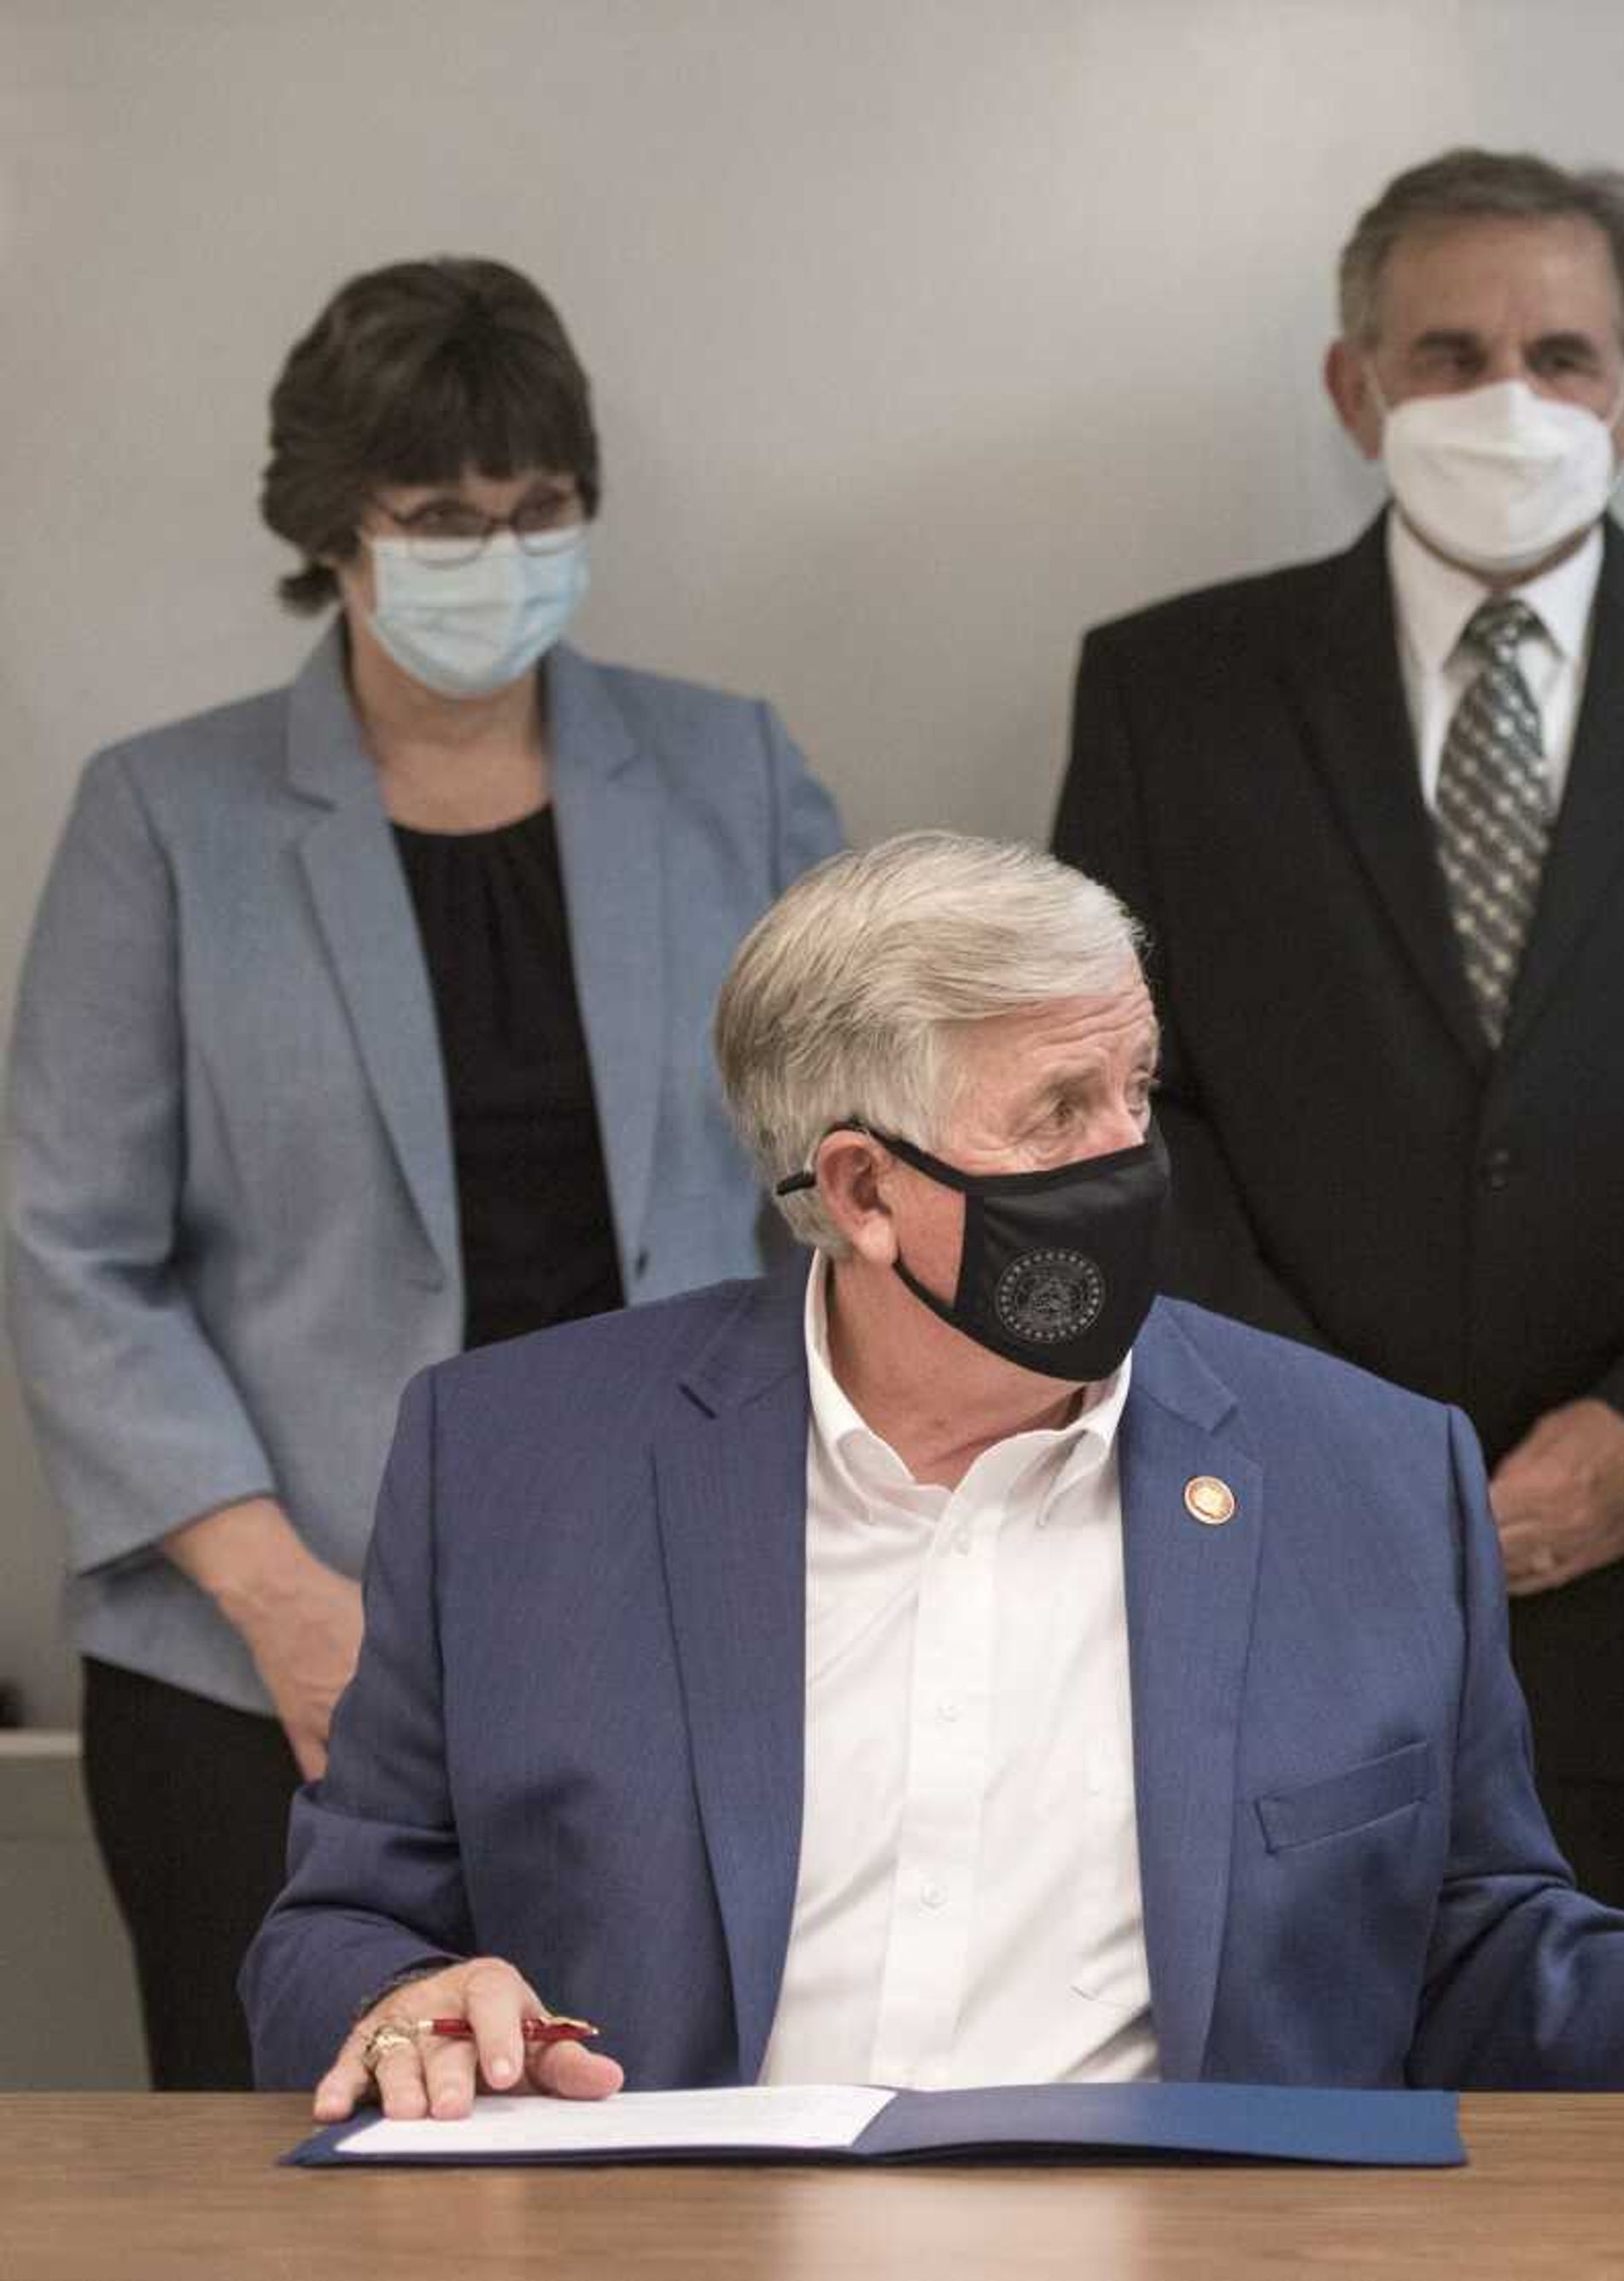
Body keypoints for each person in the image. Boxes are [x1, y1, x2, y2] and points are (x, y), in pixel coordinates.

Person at [239, 833, 1624, 2114]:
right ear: (862, 1190)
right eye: (1057, 1114)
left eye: (1136, 1090)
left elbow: (1471, 1965)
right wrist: (394, 2004)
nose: (1128, 1155)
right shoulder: (518, 1462)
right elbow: (335, 1926)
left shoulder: (1366, 1476)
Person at [1049, 150, 1624, 1926]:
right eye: (1451, 354)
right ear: (1355, 385)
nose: (1508, 400)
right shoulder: (1174, 693)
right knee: (1303, 2168)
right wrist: (1342, 1450)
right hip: (1292, 1575)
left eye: (1562, 355)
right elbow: (1111, 1103)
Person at [7, 255, 843, 2091]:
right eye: (441, 514)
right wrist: (290, 1600)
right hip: (256, 1653)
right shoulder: (167, 814)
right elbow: (70, 1247)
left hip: (669, 1609)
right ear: (335, 527)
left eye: (539, 508)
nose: (500, 549)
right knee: (299, 2153)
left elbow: (843, 1179)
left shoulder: (735, 773)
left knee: (658, 2125)